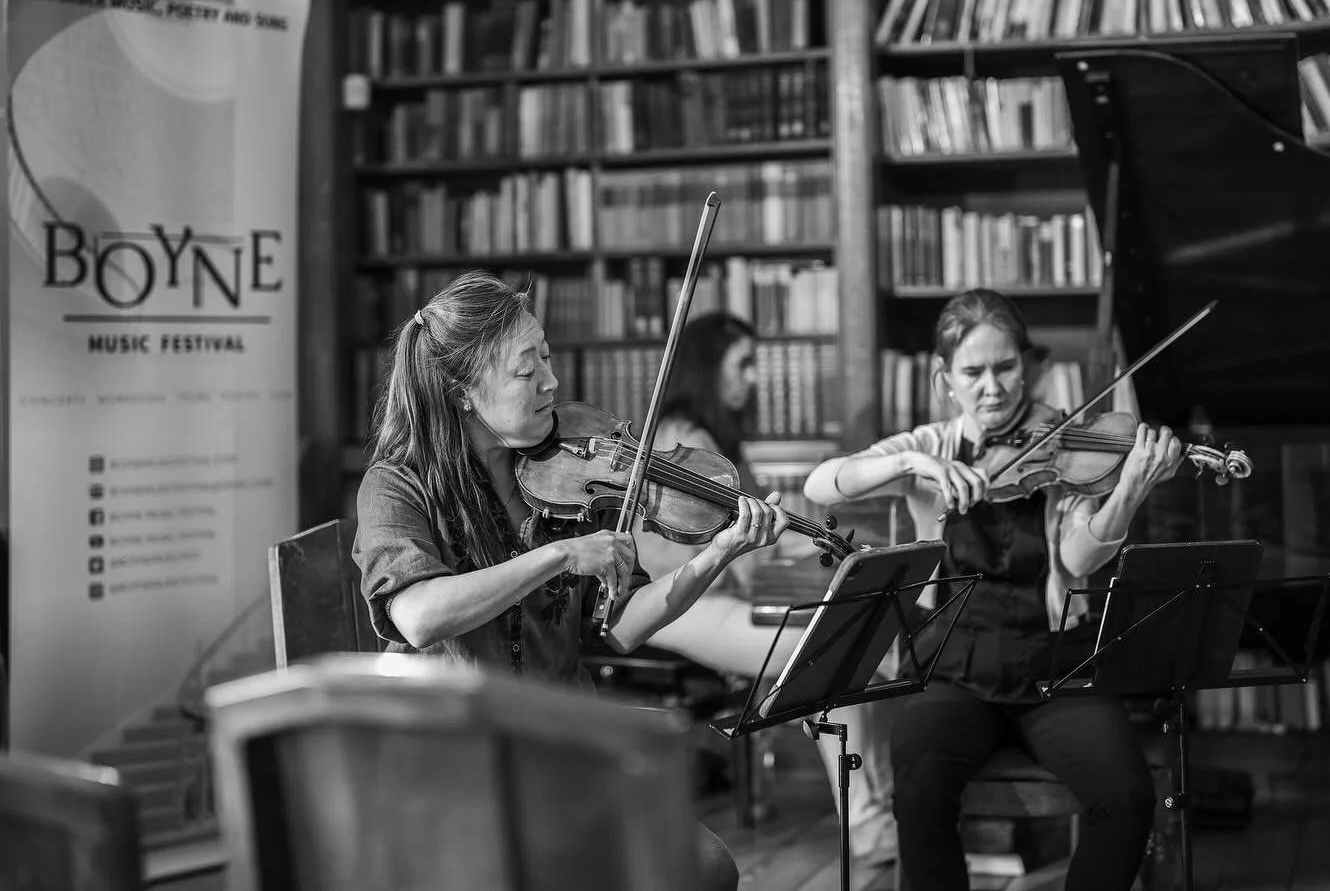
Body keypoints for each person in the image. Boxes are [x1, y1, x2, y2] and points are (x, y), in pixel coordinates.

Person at [352, 272, 791, 891]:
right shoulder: (397, 485)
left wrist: (718, 553)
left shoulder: (569, 478)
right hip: (456, 758)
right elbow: (419, 616)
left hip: (560, 746)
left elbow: (622, 625)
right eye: (525, 368)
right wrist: (558, 556)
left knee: (710, 869)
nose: (551, 382)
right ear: (463, 392)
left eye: (548, 357)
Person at [803, 288, 1182, 891]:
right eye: (972, 372)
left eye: (1005, 368)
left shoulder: (1063, 443)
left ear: (1026, 367)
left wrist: (1128, 495)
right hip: (952, 674)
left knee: (1127, 798)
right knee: (919, 791)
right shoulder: (930, 445)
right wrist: (909, 465)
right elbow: (821, 485)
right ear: (944, 378)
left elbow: (1078, 557)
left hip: (1053, 672)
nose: (992, 388)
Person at [633, 311, 898, 865]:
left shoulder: (714, 440)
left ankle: (880, 811)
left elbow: (764, 542)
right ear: (709, 368)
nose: (754, 377)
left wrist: (835, 550)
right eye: (743, 363)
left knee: (850, 648)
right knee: (829, 653)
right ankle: (869, 823)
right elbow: (740, 554)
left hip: (717, 595)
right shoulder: (684, 442)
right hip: (674, 604)